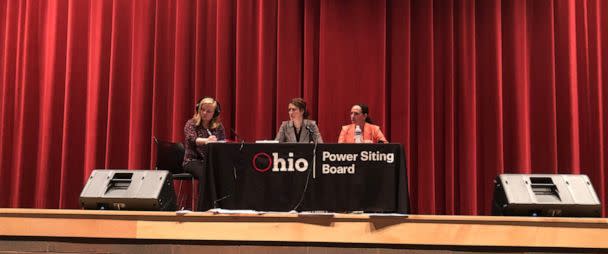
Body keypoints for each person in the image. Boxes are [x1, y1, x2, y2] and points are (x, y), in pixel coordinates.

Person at [183, 97, 226, 180]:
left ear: (215, 113)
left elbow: (222, 142)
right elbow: (192, 139)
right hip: (192, 161)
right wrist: (207, 140)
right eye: (202, 109)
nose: (204, 113)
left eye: (208, 111)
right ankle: (204, 193)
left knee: (227, 171)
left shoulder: (219, 127)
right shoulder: (191, 123)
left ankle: (223, 193)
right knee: (206, 173)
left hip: (211, 162)